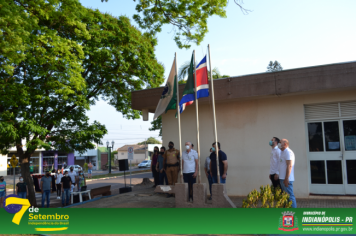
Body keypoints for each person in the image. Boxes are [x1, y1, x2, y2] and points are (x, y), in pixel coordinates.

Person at [278, 139, 297, 208]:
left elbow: (289, 165)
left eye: (280, 142)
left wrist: (286, 178)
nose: (279, 144)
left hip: (287, 179)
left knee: (290, 197)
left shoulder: (288, 152)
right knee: (285, 197)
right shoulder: (282, 152)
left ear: (285, 144)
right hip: (282, 178)